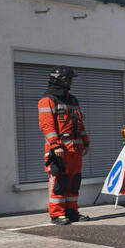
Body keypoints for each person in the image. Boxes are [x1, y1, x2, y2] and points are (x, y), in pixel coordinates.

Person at [38, 66, 91, 224]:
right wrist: (56, 145)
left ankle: (72, 212)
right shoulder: (47, 100)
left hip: (75, 150)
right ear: (62, 80)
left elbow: (79, 124)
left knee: (74, 182)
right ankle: (56, 214)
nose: (72, 82)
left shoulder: (73, 100)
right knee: (59, 182)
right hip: (59, 150)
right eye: (70, 79)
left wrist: (86, 142)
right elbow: (47, 126)